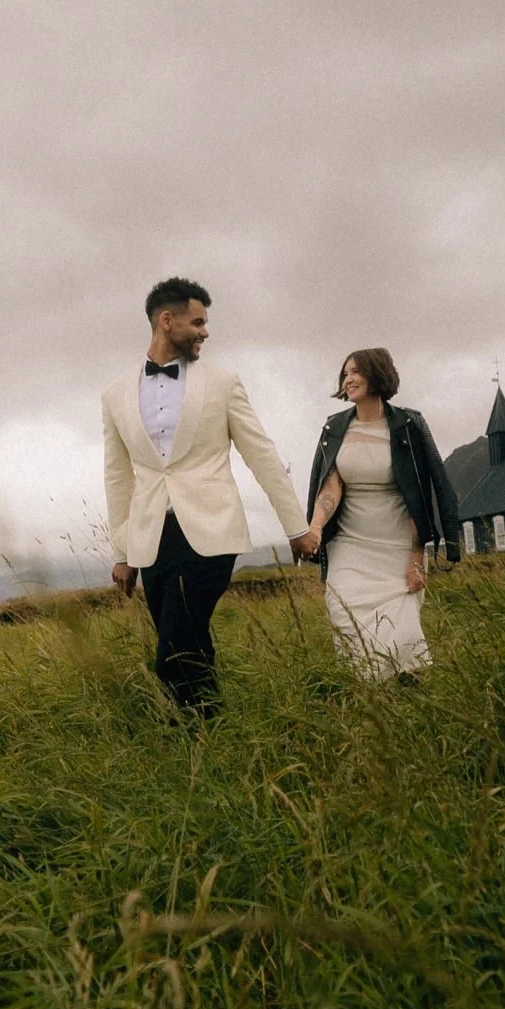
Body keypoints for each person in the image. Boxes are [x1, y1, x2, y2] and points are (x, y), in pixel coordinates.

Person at [102, 278, 318, 717]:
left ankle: (182, 728)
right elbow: (117, 477)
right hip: (151, 539)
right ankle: (209, 730)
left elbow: (261, 454)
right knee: (189, 640)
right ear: (167, 321)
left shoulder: (222, 383)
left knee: (174, 644)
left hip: (212, 531)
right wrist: (122, 552)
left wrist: (296, 526)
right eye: (197, 322)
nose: (205, 332)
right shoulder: (114, 396)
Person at [300, 348, 461, 680]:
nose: (349, 379)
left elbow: (418, 490)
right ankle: (366, 694)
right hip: (349, 544)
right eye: (345, 373)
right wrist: (315, 528)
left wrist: (416, 557)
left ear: (377, 374)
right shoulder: (335, 428)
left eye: (356, 371)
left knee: (401, 632)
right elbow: (330, 486)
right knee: (343, 610)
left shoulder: (408, 425)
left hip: (398, 544)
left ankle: (407, 698)